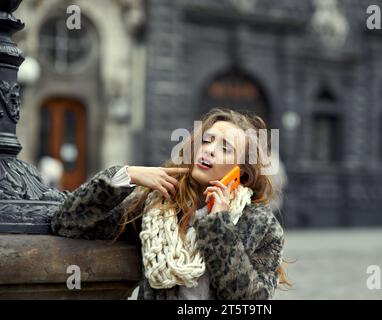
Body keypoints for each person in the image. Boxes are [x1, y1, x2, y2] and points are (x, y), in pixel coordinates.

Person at [51, 108, 290, 300]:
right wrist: (126, 175)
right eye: (207, 141)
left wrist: (218, 225)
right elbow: (69, 223)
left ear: (242, 173)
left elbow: (250, 299)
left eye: (225, 148)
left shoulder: (261, 224)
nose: (209, 151)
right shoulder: (158, 205)